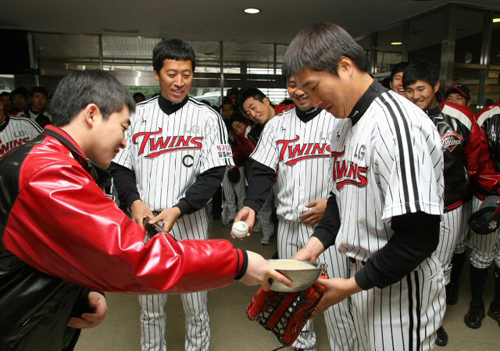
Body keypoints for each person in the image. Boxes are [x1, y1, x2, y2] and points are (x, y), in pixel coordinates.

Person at [0, 70, 290, 351]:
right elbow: (131, 255)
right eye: (124, 127)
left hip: (27, 322)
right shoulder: (46, 171)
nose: (126, 141)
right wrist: (238, 263)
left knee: (196, 306)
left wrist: (80, 292)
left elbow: (54, 249)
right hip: (15, 330)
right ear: (91, 115)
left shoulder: (52, 161)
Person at [284, 22, 446, 351]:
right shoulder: (343, 125)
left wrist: (349, 285)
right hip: (363, 280)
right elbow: (339, 202)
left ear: (345, 66)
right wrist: (307, 253)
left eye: (314, 87)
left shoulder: (395, 124)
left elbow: (419, 238)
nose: (312, 100)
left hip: (402, 288)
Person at [110, 39, 240, 351]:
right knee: (150, 306)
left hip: (190, 222)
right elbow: (120, 166)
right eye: (171, 74)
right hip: (147, 222)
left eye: (186, 74)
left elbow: (213, 174)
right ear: (157, 73)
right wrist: (135, 201)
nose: (179, 82)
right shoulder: (135, 115)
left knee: (196, 304)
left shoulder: (208, 118)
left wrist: (180, 208)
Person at [234, 75, 357, 351]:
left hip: (328, 229)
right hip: (288, 226)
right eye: (292, 85)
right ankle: (303, 345)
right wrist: (251, 205)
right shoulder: (277, 125)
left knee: (334, 299)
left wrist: (332, 202)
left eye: (304, 84)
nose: (298, 91)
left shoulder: (337, 119)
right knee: (295, 297)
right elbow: (264, 171)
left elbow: (354, 172)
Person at [403, 61, 500, 345]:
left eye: (421, 89)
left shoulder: (460, 117)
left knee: (440, 269)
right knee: (409, 265)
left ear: (435, 87)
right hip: (410, 208)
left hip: (448, 207)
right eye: (409, 90)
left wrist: (478, 189)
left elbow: (477, 160)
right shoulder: (401, 116)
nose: (415, 96)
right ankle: (409, 318)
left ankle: (434, 323)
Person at [237, 87, 292, 244]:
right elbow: (260, 166)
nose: (253, 115)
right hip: (274, 179)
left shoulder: (291, 112)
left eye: (253, 108)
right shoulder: (254, 132)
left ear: (266, 101)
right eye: (248, 114)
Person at [464, 102, 500, 329]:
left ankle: (498, 303)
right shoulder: (487, 116)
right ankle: (476, 303)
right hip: (489, 195)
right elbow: (477, 159)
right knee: (482, 253)